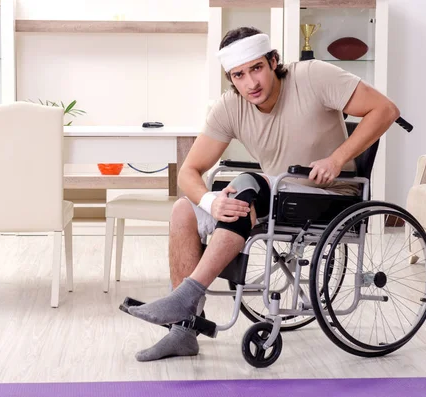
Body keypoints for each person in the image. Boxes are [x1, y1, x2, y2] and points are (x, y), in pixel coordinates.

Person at [128, 26, 400, 362]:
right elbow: (188, 171)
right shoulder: (231, 107)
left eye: (256, 68)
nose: (250, 83)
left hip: (328, 195)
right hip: (273, 195)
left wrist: (337, 158)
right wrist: (211, 202)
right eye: (239, 75)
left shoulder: (314, 77)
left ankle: (185, 295)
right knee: (186, 209)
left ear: (273, 61)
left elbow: (386, 110)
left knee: (249, 185)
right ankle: (183, 331)